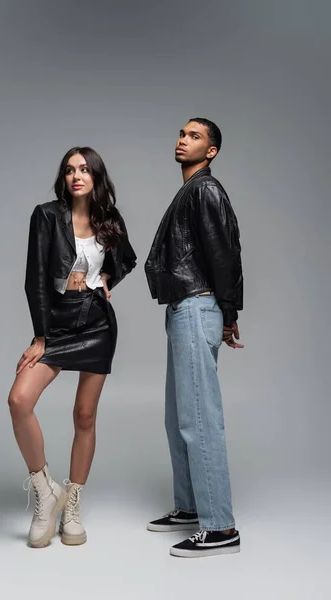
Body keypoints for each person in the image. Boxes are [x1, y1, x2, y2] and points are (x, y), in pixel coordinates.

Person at [8, 147, 136, 548]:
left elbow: (127, 259)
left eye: (83, 169)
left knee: (84, 415)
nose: (76, 175)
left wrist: (105, 281)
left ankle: (74, 503)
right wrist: (41, 336)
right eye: (69, 170)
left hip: (97, 322)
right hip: (57, 322)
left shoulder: (109, 220)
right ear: (63, 178)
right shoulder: (47, 215)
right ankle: (46, 492)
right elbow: (35, 278)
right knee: (19, 400)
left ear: (96, 175)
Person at [145, 118, 243, 558]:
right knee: (178, 418)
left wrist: (228, 310)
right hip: (183, 306)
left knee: (199, 418)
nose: (183, 140)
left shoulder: (205, 189)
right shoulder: (191, 190)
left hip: (198, 304)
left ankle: (220, 528)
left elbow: (224, 252)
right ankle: (189, 507)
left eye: (195, 136)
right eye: (182, 134)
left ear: (212, 150)